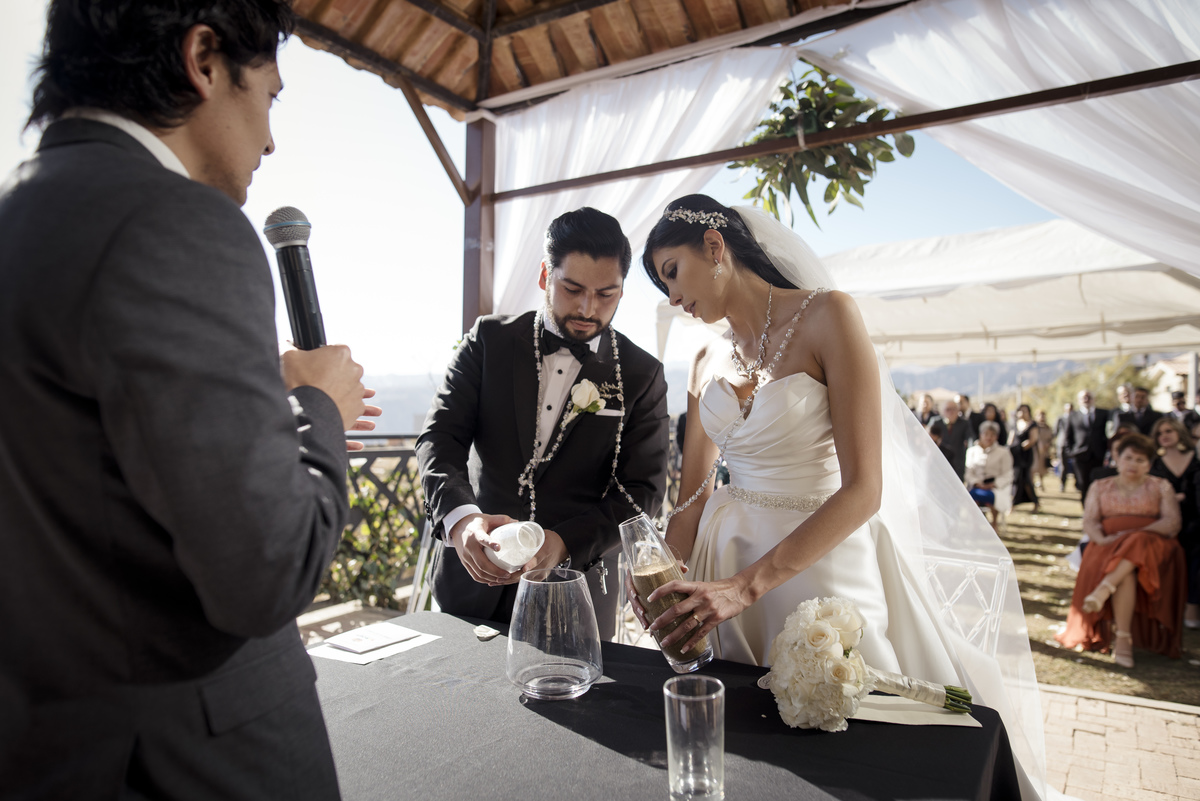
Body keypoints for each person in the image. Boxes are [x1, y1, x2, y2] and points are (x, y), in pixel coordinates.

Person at [0, 2, 379, 797]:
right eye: (269, 97)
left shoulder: (23, 215)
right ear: (204, 59)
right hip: (191, 758)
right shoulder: (178, 224)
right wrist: (322, 407)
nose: (272, 140)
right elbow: (267, 571)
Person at [631, 194, 1046, 800]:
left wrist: (745, 586)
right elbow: (692, 496)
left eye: (672, 272)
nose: (672, 297)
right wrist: (661, 582)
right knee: (747, 746)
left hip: (821, 561)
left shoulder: (829, 316)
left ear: (715, 246)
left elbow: (864, 490)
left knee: (859, 737)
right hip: (721, 560)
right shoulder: (700, 358)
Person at [416, 208, 670, 634]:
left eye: (607, 294)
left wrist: (564, 544)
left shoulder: (642, 374)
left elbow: (642, 490)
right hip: (470, 583)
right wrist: (461, 521)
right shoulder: (488, 341)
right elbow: (439, 437)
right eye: (572, 289)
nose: (588, 308)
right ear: (543, 276)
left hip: (577, 596)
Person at [1056, 434, 1186, 668]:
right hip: (1107, 545)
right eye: (1128, 458)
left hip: (1153, 547)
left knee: (1137, 544)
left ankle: (1104, 591)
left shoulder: (1161, 486)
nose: (1133, 464)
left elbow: (1172, 523)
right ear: (1117, 458)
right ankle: (1123, 637)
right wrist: (1103, 540)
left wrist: (1135, 534)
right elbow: (1090, 521)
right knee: (1126, 570)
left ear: (1149, 463)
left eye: (1140, 459)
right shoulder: (1100, 486)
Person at [1148, 418, 1200, 630]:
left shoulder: (1195, 459)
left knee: (1196, 560)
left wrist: (1178, 497)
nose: (1165, 436)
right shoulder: (1155, 464)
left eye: (1169, 431)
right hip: (1165, 522)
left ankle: (1193, 606)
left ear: (1179, 432)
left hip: (1195, 520)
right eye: (1160, 433)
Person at [964, 421, 1014, 531]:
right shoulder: (972, 451)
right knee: (972, 496)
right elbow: (969, 472)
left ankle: (994, 523)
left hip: (995, 487)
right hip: (977, 485)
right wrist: (977, 483)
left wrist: (993, 484)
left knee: (991, 498)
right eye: (986, 434)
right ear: (981, 435)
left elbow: (1007, 474)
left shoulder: (1003, 452)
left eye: (992, 435)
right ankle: (975, 524)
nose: (988, 438)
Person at [1065, 389, 1110, 501]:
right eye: (1083, 397)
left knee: (1098, 482)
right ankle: (1086, 509)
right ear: (1078, 400)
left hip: (1099, 455)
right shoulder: (1073, 416)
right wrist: (1071, 452)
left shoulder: (1103, 413)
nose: (1086, 400)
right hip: (1080, 455)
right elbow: (1068, 436)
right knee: (1083, 483)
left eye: (1088, 397)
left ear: (1093, 399)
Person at [1010, 404, 1039, 511]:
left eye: (1024, 411)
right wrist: (1011, 448)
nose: (1022, 413)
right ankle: (1013, 503)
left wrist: (1020, 447)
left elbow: (1032, 440)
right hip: (1016, 455)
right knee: (1016, 479)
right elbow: (1011, 438)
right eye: (1020, 411)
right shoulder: (1015, 424)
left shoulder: (1032, 424)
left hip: (1026, 456)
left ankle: (1035, 502)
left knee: (1027, 479)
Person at [940, 399, 976, 480]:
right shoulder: (936, 422)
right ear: (943, 411)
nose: (951, 412)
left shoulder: (964, 423)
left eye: (954, 409)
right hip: (940, 460)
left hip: (957, 461)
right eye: (948, 409)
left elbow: (970, 438)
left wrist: (971, 450)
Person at [1055, 402, 1075, 491]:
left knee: (1076, 465)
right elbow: (1055, 432)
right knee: (1063, 466)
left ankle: (1078, 484)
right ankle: (1062, 484)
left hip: (1074, 445)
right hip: (1062, 444)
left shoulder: (1076, 418)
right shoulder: (1061, 418)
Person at [1033, 409, 1053, 490]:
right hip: (1036, 451)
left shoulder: (1048, 427)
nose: (1042, 417)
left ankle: (1041, 482)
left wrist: (1048, 445)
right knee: (1035, 468)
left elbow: (1051, 438)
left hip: (1045, 451)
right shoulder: (1035, 427)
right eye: (1040, 415)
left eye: (1043, 415)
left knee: (1043, 468)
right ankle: (1034, 483)